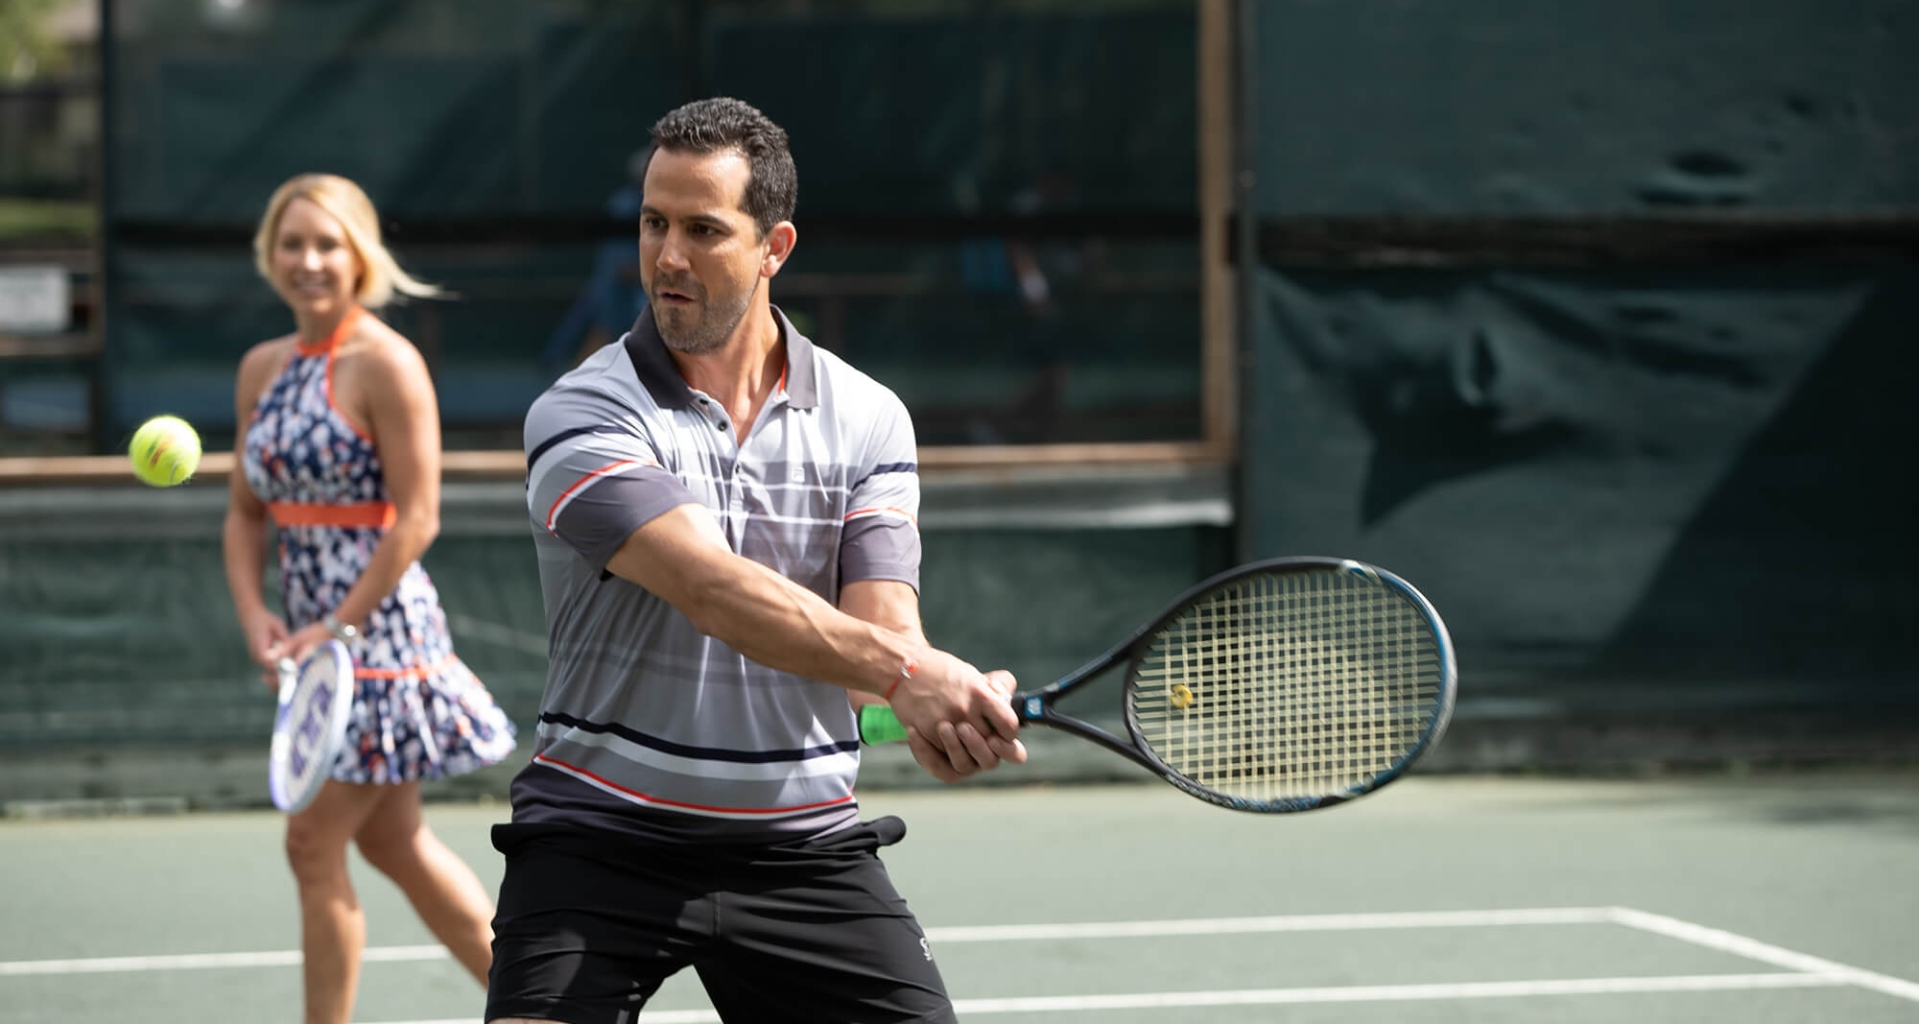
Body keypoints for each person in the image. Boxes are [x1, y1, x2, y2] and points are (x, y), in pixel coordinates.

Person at [488, 98, 1026, 1024]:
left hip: (801, 847)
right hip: (599, 838)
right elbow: (709, 588)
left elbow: (880, 633)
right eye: (654, 223)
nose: (665, 257)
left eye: (702, 229)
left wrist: (933, 707)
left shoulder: (868, 418)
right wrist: (908, 674)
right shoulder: (580, 414)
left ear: (774, 246)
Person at [220, 172, 518, 1024]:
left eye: (327, 244)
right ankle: (548, 1012)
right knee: (395, 843)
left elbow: (417, 517)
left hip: (381, 641)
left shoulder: (387, 362)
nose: (308, 261)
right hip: (317, 645)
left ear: (360, 258)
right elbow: (244, 513)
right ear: (269, 255)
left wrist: (338, 626)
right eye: (292, 243)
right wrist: (255, 615)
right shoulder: (261, 370)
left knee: (313, 843)